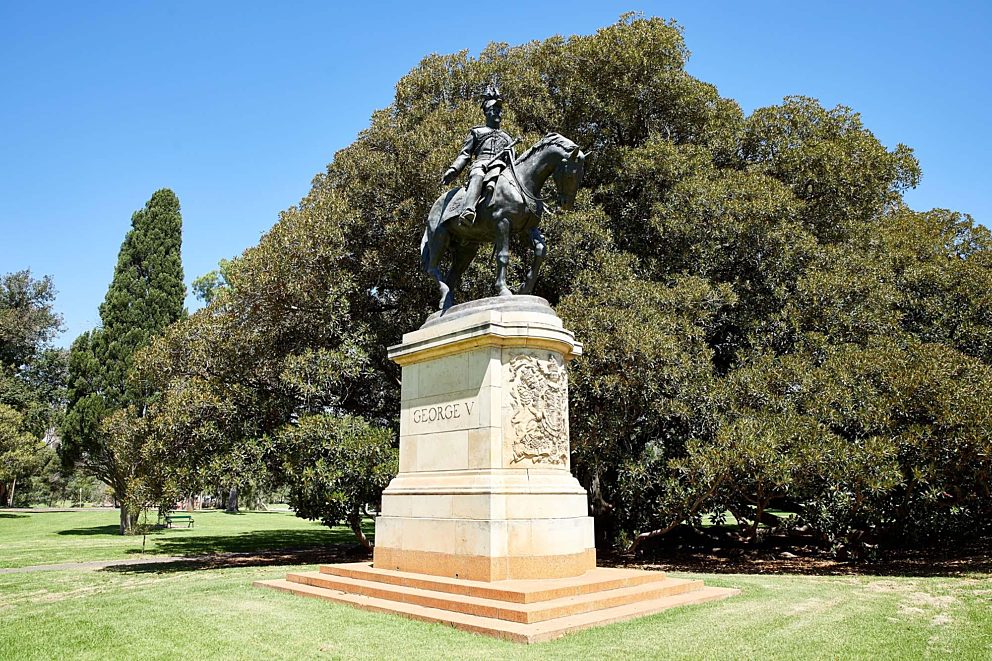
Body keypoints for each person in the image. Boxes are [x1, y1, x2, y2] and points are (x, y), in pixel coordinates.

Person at [440, 82, 515, 225]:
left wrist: (508, 155)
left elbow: (513, 163)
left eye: (499, 109)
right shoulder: (477, 132)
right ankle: (468, 210)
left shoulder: (507, 138)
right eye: (494, 109)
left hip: (501, 169)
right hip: (482, 164)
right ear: (486, 111)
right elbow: (465, 154)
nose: (498, 112)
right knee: (478, 175)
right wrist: (453, 170)